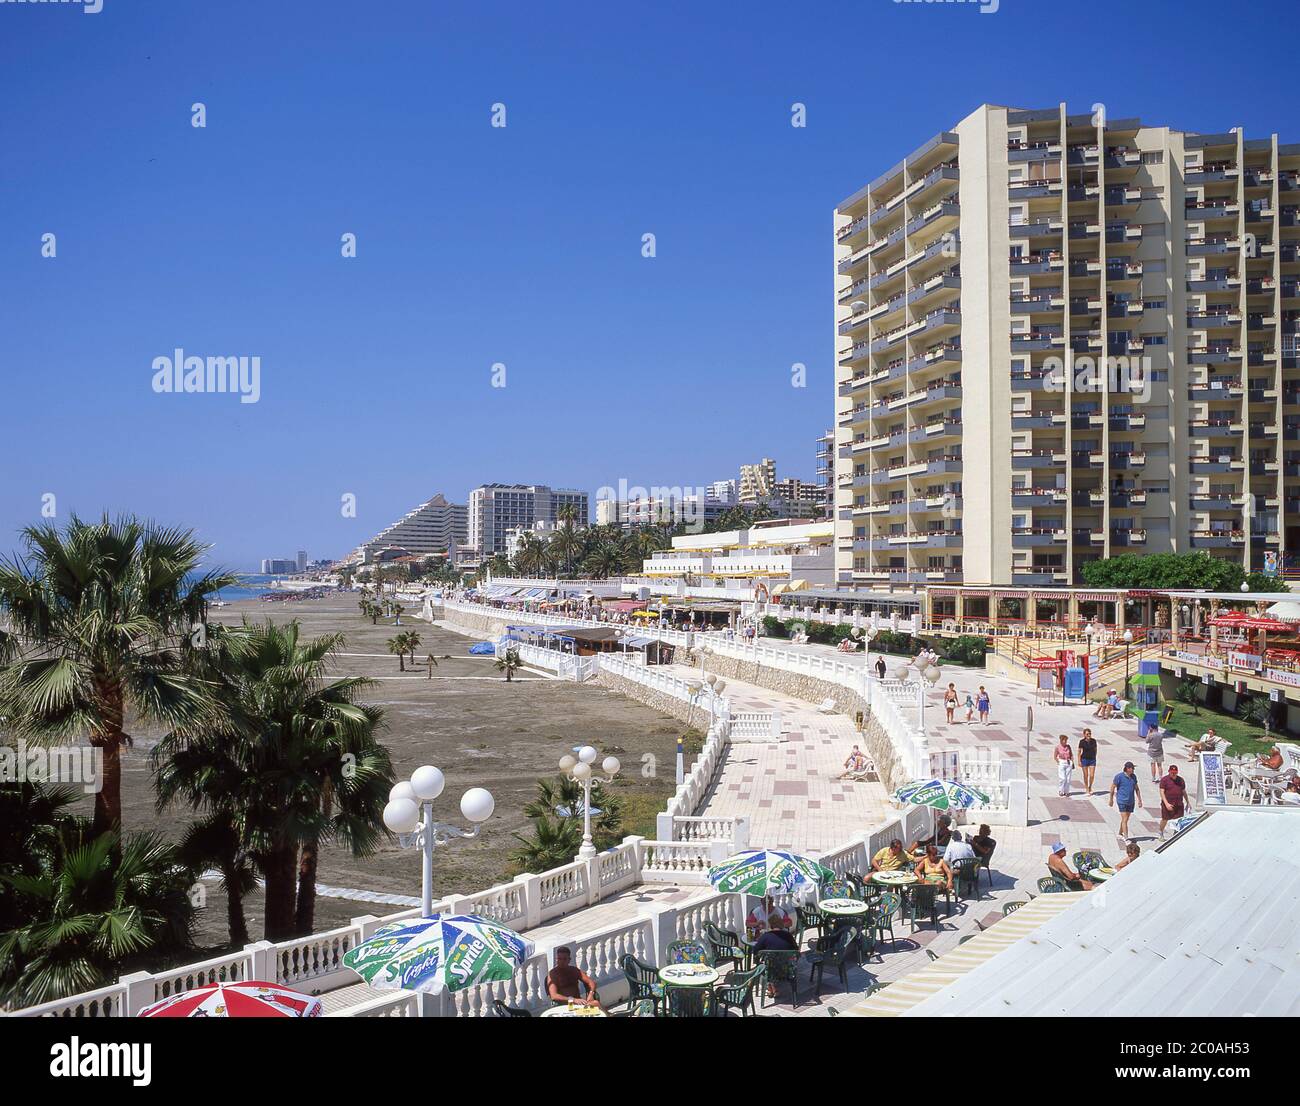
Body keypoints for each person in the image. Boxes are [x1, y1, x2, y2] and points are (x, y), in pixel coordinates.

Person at [1109, 761, 1142, 843]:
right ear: (1127, 769)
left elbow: (1137, 789)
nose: (1133, 770)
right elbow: (1112, 787)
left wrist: (1140, 800)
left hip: (1131, 801)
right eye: (1132, 768)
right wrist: (1111, 799)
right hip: (1122, 800)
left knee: (1126, 819)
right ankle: (1126, 838)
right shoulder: (1119, 777)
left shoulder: (1134, 777)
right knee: (1124, 819)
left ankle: (1120, 833)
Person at [1158, 764, 1187, 840]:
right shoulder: (1164, 780)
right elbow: (1162, 792)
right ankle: (1161, 832)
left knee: (1179, 819)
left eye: (1175, 772)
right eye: (1172, 772)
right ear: (1169, 772)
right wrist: (1166, 803)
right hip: (1168, 803)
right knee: (1165, 819)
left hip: (1178, 803)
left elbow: (1183, 791)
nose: (1173, 774)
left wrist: (1188, 802)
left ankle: (1176, 833)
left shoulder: (1181, 780)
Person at [1078, 727, 1098, 795]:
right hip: (1084, 759)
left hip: (1092, 759)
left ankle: (1090, 787)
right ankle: (1086, 788)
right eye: (1087, 734)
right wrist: (1079, 761)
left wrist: (1095, 757)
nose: (1088, 735)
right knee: (1085, 775)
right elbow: (1079, 752)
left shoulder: (1093, 741)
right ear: (1084, 735)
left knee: (1092, 775)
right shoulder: (1082, 742)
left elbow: (1095, 749)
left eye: (1089, 734)